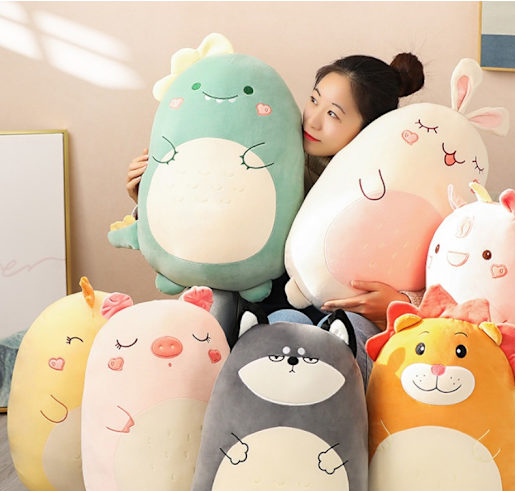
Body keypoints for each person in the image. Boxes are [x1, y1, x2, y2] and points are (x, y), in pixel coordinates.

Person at [125, 51, 425, 382]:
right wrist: (151, 199)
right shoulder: (272, 154)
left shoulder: (380, 190)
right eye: (314, 100)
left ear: (369, 128)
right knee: (216, 304)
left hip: (329, 315)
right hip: (254, 302)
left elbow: (426, 261)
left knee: (329, 332)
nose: (312, 121)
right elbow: (213, 228)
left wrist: (401, 303)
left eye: (333, 114)